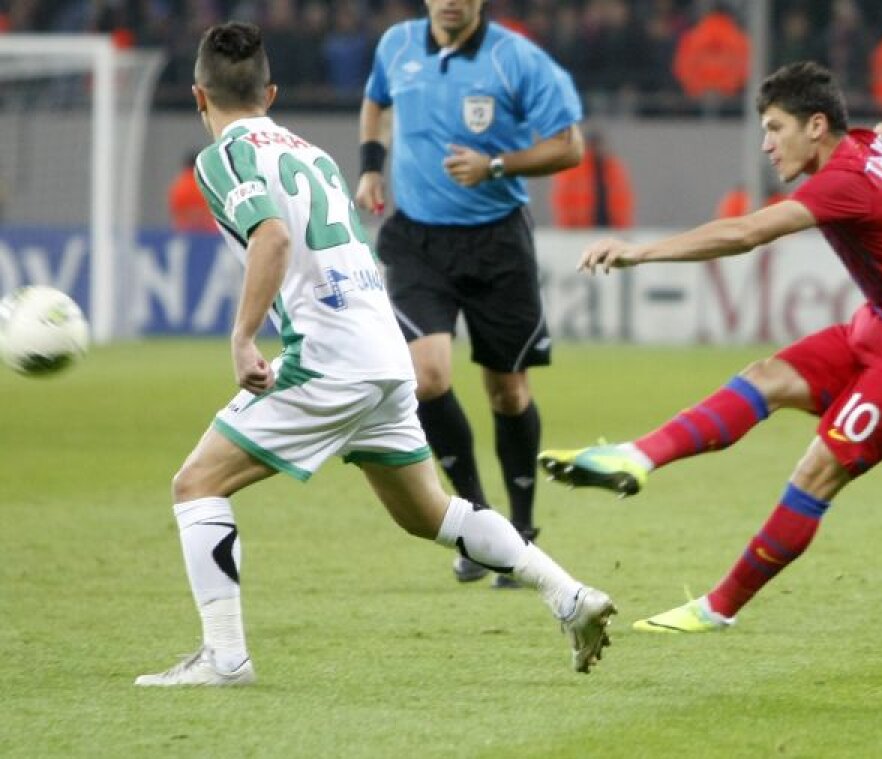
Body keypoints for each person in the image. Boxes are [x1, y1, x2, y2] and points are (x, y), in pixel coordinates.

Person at [135, 21, 614, 687]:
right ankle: (569, 593)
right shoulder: (311, 152)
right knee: (429, 512)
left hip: (325, 357)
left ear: (197, 96)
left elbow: (271, 239)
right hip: (383, 352)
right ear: (270, 92)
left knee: (196, 484)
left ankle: (224, 657)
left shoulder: (222, 156)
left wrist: (243, 336)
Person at [539, 61, 882, 634]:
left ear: (816, 126)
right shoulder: (873, 146)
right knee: (767, 376)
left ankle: (718, 608)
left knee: (817, 470)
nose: (768, 146)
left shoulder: (849, 178)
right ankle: (636, 457)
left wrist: (641, 252)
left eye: (775, 128)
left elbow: (745, 234)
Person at [356, 0, 584, 588]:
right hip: (418, 240)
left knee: (507, 392)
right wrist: (372, 167)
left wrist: (497, 164)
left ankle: (524, 528)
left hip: (498, 244)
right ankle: (481, 525)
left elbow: (569, 146)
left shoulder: (518, 60)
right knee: (426, 377)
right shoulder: (397, 47)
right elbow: (376, 99)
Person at [550, 129, 635, 229]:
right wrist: (567, 227)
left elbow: (623, 198)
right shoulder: (572, 169)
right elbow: (562, 200)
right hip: (581, 228)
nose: (596, 149)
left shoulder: (612, 168)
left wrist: (622, 225)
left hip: (610, 227)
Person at [168, 150, 218, 233]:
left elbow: (175, 210)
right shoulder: (205, 181)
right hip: (208, 232)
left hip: (185, 231)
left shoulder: (179, 186)